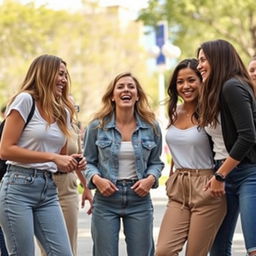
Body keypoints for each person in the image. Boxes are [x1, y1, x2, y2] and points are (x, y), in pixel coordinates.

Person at [0, 54, 86, 255]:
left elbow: (60, 160)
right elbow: (5, 149)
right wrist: (53, 158)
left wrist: (74, 162)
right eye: (60, 74)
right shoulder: (25, 100)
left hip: (48, 189)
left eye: (66, 75)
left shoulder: (63, 112)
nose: (64, 80)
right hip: (17, 187)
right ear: (45, 73)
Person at [83, 72, 164, 256]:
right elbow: (88, 162)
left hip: (139, 199)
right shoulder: (97, 126)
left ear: (137, 95)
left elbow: (156, 163)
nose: (126, 90)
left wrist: (150, 179)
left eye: (130, 87)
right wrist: (97, 180)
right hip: (106, 200)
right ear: (112, 96)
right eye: (120, 87)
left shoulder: (151, 126)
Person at [155, 59, 226, 256]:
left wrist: (220, 177)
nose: (185, 86)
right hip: (179, 186)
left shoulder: (212, 112)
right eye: (180, 82)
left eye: (191, 80)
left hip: (207, 186)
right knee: (163, 251)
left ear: (202, 81)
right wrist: (171, 176)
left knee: (195, 254)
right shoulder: (174, 113)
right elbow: (178, 147)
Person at [197, 39, 256, 256]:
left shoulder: (233, 86)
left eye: (203, 60)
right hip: (222, 175)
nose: (199, 65)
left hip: (248, 174)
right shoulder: (216, 92)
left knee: (254, 247)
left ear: (218, 58)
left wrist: (221, 175)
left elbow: (248, 136)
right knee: (218, 248)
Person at [39, 97, 93, 256]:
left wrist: (86, 187)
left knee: (69, 243)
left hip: (68, 186)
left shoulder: (74, 129)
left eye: (73, 106)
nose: (70, 109)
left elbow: (78, 159)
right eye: (66, 104)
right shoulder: (44, 127)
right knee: (46, 246)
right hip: (45, 183)